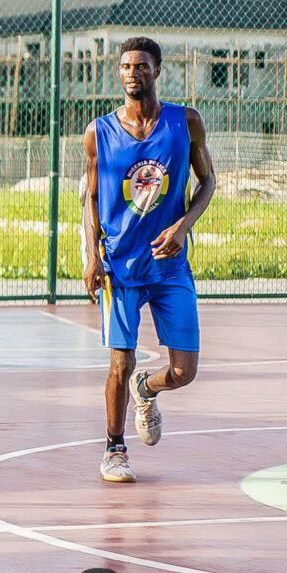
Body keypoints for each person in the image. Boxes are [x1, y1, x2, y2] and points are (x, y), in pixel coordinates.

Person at [82, 37, 215, 483]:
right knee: (120, 361)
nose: (131, 73)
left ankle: (147, 388)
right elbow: (91, 198)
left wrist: (183, 226)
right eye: (125, 66)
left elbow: (208, 182)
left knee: (183, 371)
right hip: (121, 267)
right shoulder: (99, 132)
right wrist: (91, 255)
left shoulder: (185, 122)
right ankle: (114, 449)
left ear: (157, 71)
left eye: (140, 66)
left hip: (169, 266)